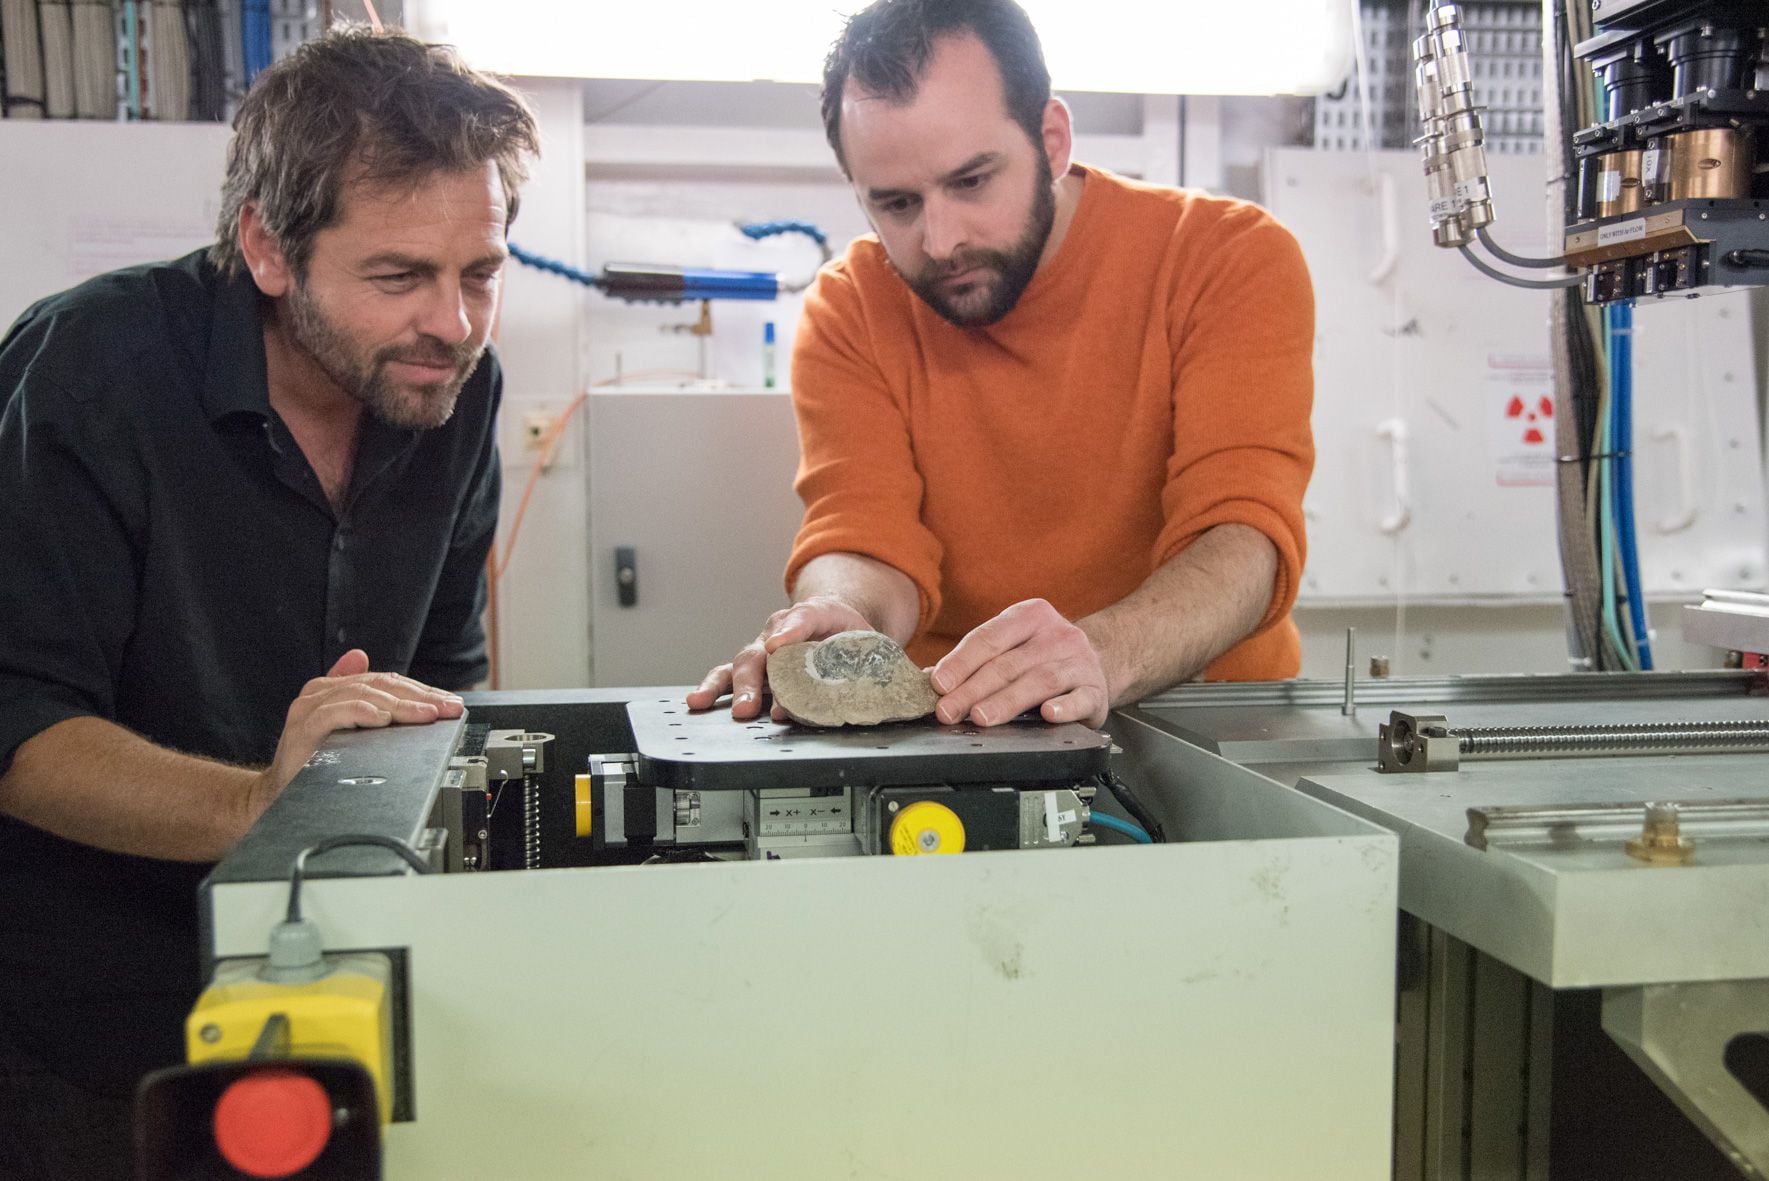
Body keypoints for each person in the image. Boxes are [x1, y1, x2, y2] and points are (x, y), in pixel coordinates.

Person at [0, 28, 538, 1178]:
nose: (451, 321)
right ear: (267, 247)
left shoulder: (453, 384)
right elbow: (14, 726)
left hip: (344, 984)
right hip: (90, 1030)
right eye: (398, 276)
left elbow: (445, 669)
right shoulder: (88, 373)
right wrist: (260, 803)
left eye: (480, 273)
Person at [690, 0, 1314, 729]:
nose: (942, 239)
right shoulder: (851, 306)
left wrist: (1096, 653)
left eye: (971, 181)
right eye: (896, 204)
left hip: (1205, 713)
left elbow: (1242, 536)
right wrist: (840, 614)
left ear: (1051, 139)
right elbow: (863, 531)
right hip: (966, 726)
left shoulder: (1225, 258)